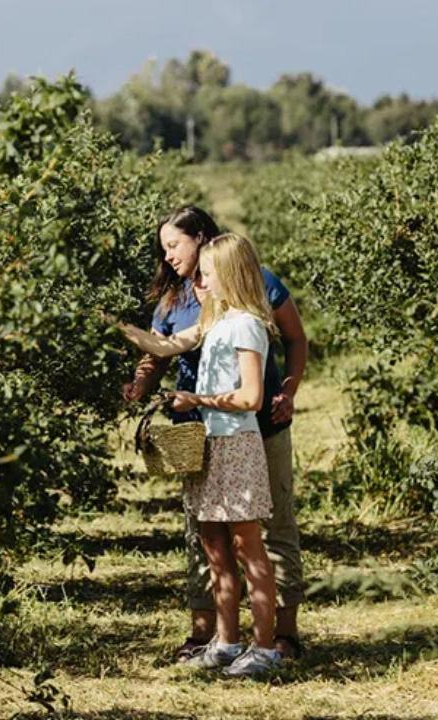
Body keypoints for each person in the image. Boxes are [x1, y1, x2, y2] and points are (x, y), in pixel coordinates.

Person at [123, 206, 309, 662]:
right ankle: (221, 638)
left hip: (248, 434)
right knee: (212, 539)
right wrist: (128, 357)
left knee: (258, 536)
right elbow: (166, 347)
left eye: (174, 246)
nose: (169, 259)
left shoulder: (247, 306)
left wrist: (283, 390)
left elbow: (254, 387)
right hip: (209, 438)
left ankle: (273, 641)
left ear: (207, 247)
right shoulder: (198, 309)